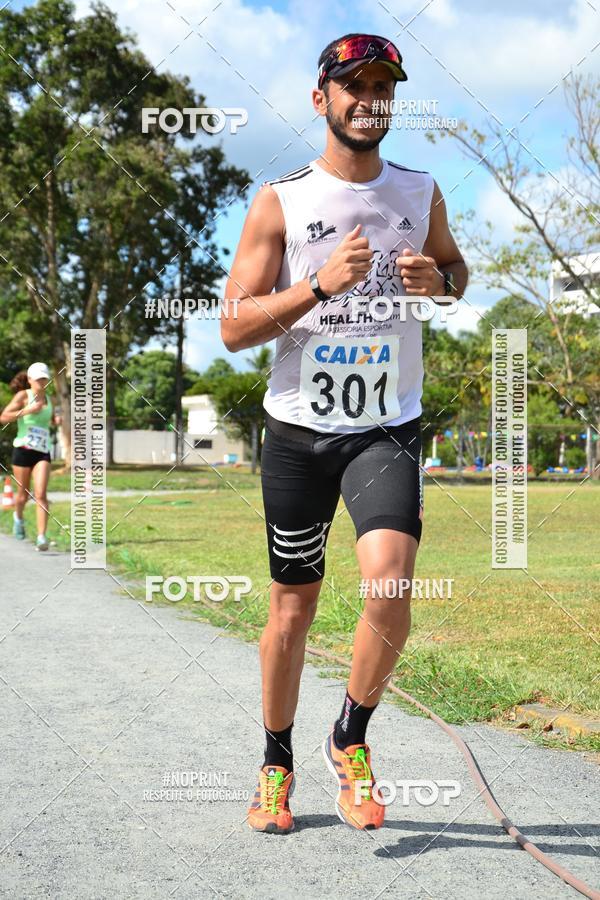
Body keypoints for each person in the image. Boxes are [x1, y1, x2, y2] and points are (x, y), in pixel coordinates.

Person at [221, 33, 468, 833]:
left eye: (383, 87)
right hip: (297, 432)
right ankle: (275, 762)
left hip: (383, 429)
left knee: (391, 586)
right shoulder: (281, 200)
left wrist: (444, 282)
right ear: (322, 97)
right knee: (293, 611)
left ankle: (349, 738)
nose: (370, 100)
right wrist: (317, 285)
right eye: (353, 86)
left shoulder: (420, 190)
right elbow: (233, 327)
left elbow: (455, 268)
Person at [0, 362, 59, 550]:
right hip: (23, 450)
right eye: (38, 378)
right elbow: (3, 417)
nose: (42, 381)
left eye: (45, 378)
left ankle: (42, 537)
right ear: (30, 380)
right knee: (22, 495)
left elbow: (48, 419)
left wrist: (55, 420)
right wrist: (28, 410)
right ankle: (18, 517)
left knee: (41, 494)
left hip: (42, 451)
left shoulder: (50, 400)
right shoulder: (23, 396)